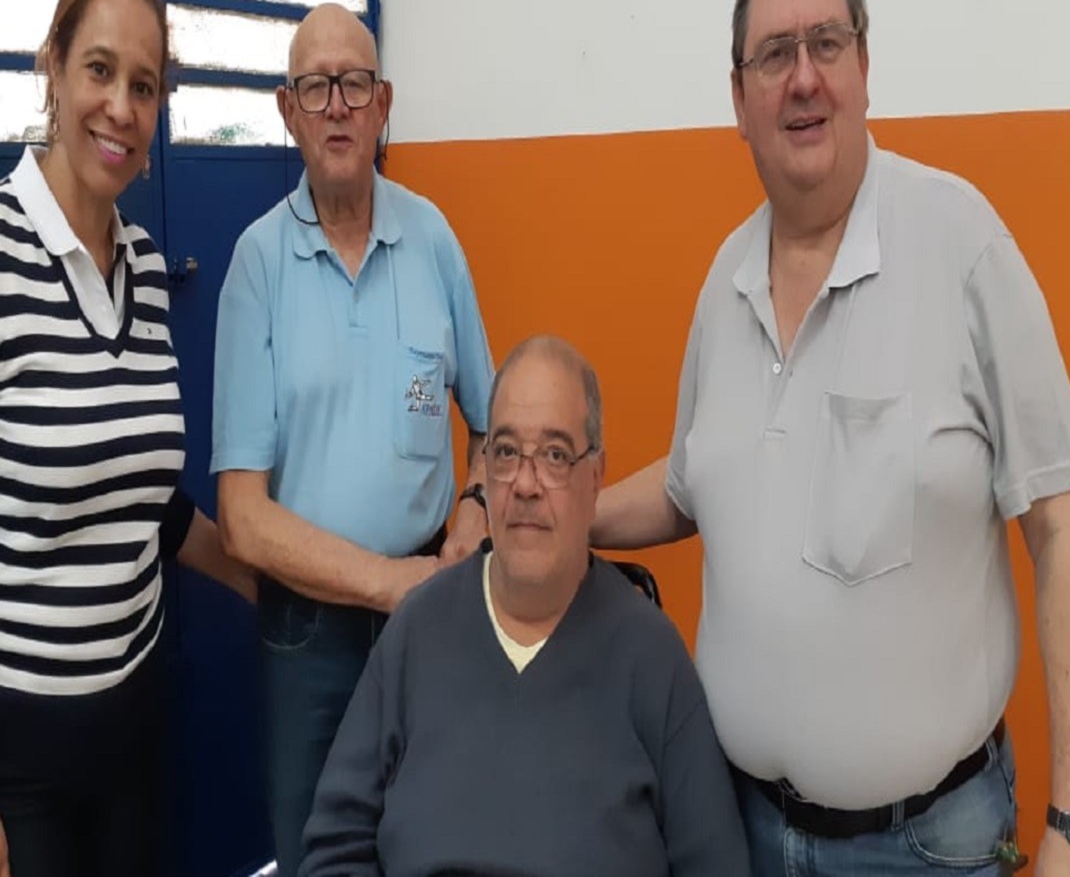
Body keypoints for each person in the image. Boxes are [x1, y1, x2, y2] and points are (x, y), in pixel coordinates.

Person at [592, 0, 1070, 877]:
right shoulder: (725, 281)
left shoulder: (963, 244)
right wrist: (559, 516)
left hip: (928, 846)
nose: (803, 78)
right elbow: (694, 480)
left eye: (825, 43)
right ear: (738, 98)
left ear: (864, 68)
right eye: (774, 54)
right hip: (739, 830)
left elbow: (1062, 518)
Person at [0, 0, 254, 877]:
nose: (120, 107)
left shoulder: (145, 270)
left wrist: (274, 586)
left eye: (144, 85)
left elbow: (143, 501)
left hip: (132, 735)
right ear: (51, 65)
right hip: (9, 765)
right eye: (99, 70)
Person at [211, 3, 494, 873]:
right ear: (287, 112)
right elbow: (241, 519)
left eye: (355, 84)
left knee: (440, 842)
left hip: (432, 610)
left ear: (384, 105)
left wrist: (474, 508)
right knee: (317, 851)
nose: (337, 105)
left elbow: (493, 424)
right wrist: (385, 583)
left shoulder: (433, 238)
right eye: (315, 87)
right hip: (308, 638)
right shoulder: (258, 265)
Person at [298, 335, 750, 876]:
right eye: (507, 452)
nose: (526, 484)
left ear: (595, 477)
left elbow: (716, 864)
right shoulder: (417, 632)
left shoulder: (652, 659)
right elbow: (335, 845)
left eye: (555, 455)